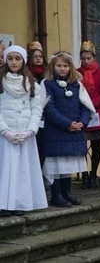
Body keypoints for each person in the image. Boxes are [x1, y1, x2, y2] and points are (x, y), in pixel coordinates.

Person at [42, 52, 94, 207]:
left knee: (67, 165)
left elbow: (85, 106)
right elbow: (48, 108)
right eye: (59, 65)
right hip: (56, 131)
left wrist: (82, 123)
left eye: (65, 66)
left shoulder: (77, 85)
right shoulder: (47, 84)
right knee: (56, 165)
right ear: (53, 66)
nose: (62, 69)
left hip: (75, 131)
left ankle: (67, 193)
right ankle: (56, 196)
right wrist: (67, 124)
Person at [0, 46, 47, 216]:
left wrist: (29, 131)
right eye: (10, 58)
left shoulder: (32, 83)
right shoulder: (1, 81)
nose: (13, 62)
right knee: (5, 168)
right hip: (5, 135)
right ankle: (3, 203)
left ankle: (19, 202)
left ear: (23, 61)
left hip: (24, 134)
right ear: (6, 60)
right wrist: (5, 131)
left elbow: (36, 109)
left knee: (22, 170)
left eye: (17, 58)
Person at [77, 41, 100, 189]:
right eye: (83, 58)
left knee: (96, 146)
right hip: (80, 113)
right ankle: (84, 174)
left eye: (88, 58)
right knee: (81, 147)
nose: (85, 61)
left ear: (94, 57)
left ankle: (93, 174)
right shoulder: (76, 72)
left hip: (96, 113)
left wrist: (90, 104)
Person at [27, 41, 47, 170]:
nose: (38, 58)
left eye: (40, 56)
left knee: (44, 145)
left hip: (46, 115)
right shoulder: (26, 74)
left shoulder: (48, 73)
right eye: (35, 56)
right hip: (31, 114)